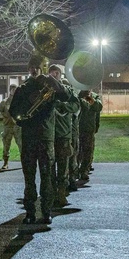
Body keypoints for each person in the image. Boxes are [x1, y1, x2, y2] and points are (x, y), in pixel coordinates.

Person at [10, 62, 73, 224]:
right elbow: (13, 112)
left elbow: (67, 96)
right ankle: (30, 212)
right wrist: (26, 111)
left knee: (47, 177)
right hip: (29, 137)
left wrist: (54, 82)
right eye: (32, 67)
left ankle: (46, 211)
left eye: (37, 67)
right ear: (29, 69)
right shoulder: (23, 89)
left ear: (41, 69)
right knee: (29, 178)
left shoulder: (50, 86)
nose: (35, 70)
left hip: (46, 138)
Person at [51, 72, 80, 206]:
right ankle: (50, 195)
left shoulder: (68, 99)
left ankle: (61, 195)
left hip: (63, 137)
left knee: (63, 170)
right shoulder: (50, 96)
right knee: (50, 170)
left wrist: (62, 105)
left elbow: (76, 107)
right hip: (51, 137)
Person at [76, 89, 103, 182]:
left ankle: (84, 171)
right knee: (77, 152)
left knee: (88, 151)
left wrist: (88, 98)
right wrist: (80, 96)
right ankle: (75, 170)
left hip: (88, 128)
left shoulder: (94, 96)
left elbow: (98, 107)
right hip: (77, 128)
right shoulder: (76, 94)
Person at [0, 84, 21, 170]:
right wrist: (5, 116)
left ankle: (23, 162)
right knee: (6, 145)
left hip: (17, 126)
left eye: (15, 89)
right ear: (10, 90)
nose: (14, 91)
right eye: (12, 89)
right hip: (8, 126)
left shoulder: (20, 101)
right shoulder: (4, 102)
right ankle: (5, 163)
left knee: (21, 145)